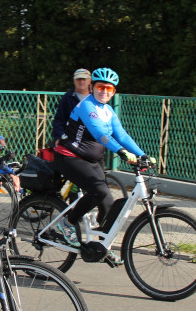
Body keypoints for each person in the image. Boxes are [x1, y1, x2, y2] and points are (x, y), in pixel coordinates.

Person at [55, 68, 150, 247]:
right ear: (92, 87)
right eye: (100, 87)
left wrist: (142, 154)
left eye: (109, 89)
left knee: (108, 204)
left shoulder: (107, 110)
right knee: (99, 191)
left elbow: (122, 136)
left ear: (113, 92)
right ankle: (67, 223)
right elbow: (100, 134)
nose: (104, 91)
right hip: (70, 156)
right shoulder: (86, 106)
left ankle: (102, 246)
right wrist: (121, 151)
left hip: (90, 160)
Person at [52, 68, 93, 145]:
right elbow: (59, 120)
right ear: (74, 80)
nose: (81, 82)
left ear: (90, 80)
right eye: (78, 79)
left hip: (91, 140)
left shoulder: (96, 97)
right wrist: (58, 137)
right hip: (70, 139)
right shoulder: (67, 98)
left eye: (84, 79)